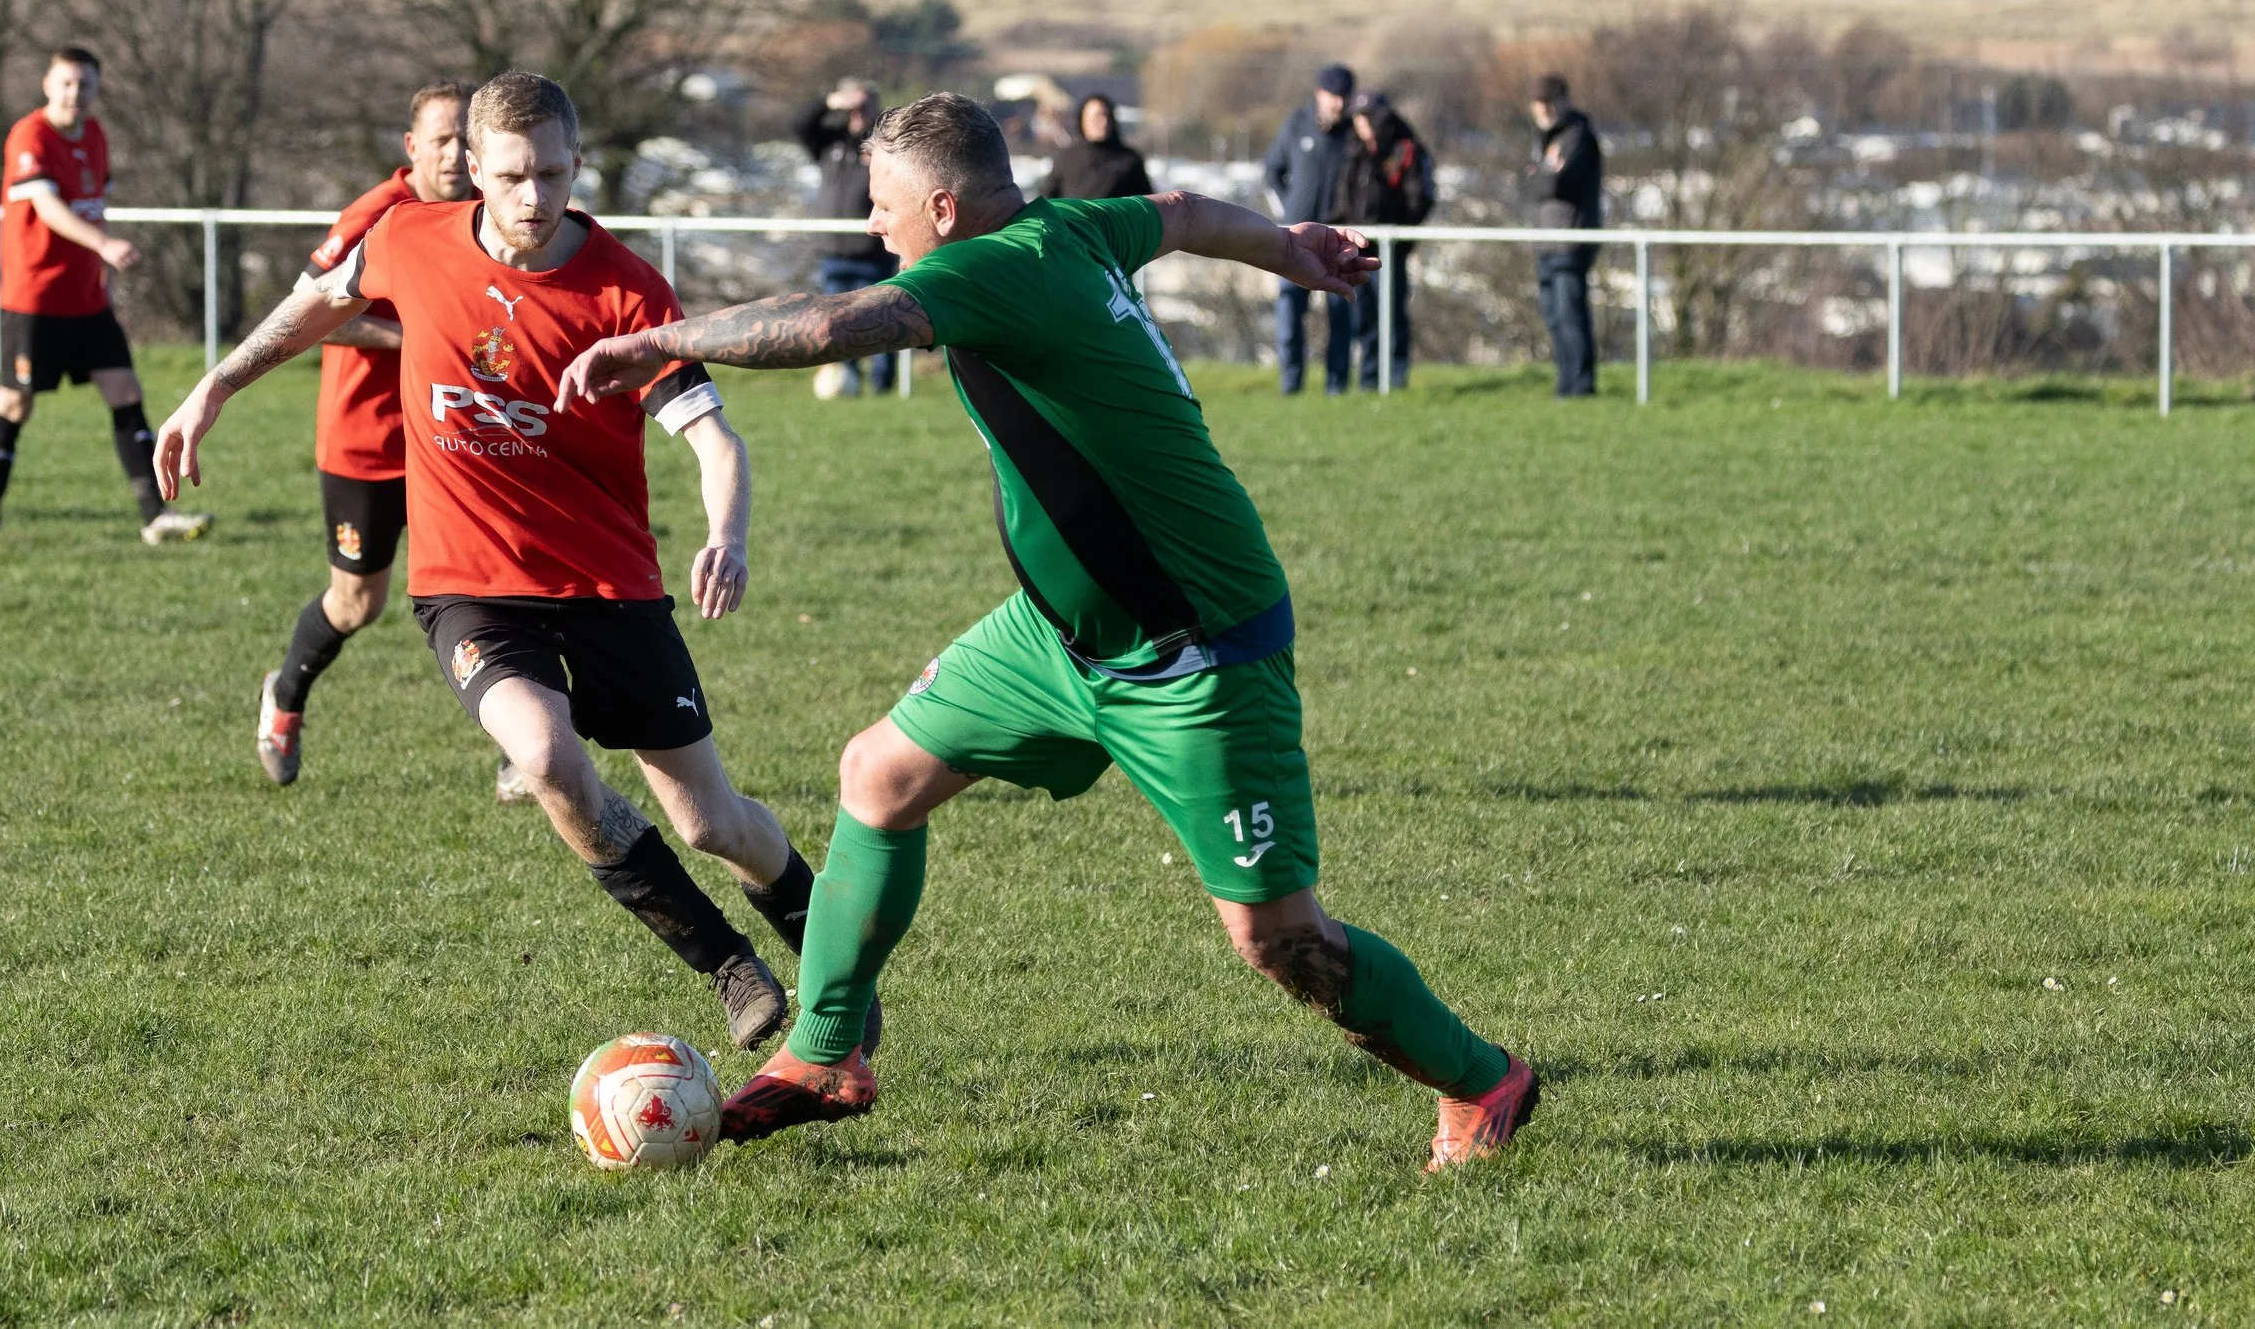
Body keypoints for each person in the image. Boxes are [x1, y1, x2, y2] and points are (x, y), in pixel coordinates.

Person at [555, 91, 1538, 1173]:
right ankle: (827, 1052)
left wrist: (653, 339)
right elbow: (1180, 211)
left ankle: (1480, 1079)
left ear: (940, 206)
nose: (874, 229)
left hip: (1193, 654)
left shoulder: (993, 268)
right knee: (878, 773)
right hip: (1057, 635)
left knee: (1280, 940)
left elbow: (833, 324)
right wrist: (1286, 248)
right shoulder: (1071, 222)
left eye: (884, 210)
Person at [156, 71, 873, 1054]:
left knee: (709, 820)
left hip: (610, 585)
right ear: (472, 172)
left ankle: (818, 937)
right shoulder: (410, 242)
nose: (532, 196)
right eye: (510, 175)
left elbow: (713, 438)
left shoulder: (623, 289)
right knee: (542, 755)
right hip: (470, 588)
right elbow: (317, 300)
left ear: (576, 164)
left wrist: (728, 535)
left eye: (550, 172)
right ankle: (728, 966)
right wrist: (215, 387)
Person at [253, 79, 473, 787]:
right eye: (442, 138)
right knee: (357, 604)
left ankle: (523, 756)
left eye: (469, 138)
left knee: (495, 588)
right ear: (412, 147)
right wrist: (418, 339)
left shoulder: (486, 214)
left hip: (453, 440)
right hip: (366, 443)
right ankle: (285, 694)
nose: (457, 153)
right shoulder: (379, 214)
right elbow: (311, 310)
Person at [0, 45, 209, 548]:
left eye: (86, 85)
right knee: (15, 404)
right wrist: (103, 245)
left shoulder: (96, 135)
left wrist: (104, 269)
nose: (76, 93)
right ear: (47, 84)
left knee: (125, 392)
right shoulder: (29, 135)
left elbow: (94, 206)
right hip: (34, 299)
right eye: (67, 83)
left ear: (98, 89)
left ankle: (154, 517)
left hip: (88, 300)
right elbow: (48, 206)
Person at [1260, 64, 1357, 394]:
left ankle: (1337, 388)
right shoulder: (1295, 125)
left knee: (1341, 317)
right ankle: (1291, 386)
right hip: (1294, 239)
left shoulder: (1353, 134)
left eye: (1344, 97)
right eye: (1333, 96)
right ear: (1319, 93)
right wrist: (1288, 215)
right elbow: (1272, 172)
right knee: (1289, 313)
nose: (1339, 104)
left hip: (1339, 241)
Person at [795, 80, 895, 397]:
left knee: (880, 322)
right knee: (837, 324)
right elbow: (799, 125)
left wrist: (873, 121)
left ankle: (882, 386)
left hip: (873, 253)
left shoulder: (885, 146)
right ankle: (846, 383)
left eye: (863, 106)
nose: (857, 113)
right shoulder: (830, 143)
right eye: (852, 107)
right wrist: (829, 101)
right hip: (834, 252)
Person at [1333, 93, 1434, 391]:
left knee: (1392, 314)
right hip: (1356, 248)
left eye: (1367, 116)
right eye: (1358, 117)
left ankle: (1396, 378)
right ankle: (1368, 380)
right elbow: (1343, 196)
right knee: (1362, 316)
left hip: (1390, 250)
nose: (1362, 123)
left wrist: (1399, 234)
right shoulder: (1353, 150)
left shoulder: (1405, 149)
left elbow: (1421, 197)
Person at [1528, 75, 1604, 399]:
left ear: (1564, 102)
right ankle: (1566, 386)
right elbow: (1528, 185)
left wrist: (1542, 176)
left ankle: (1581, 387)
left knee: (1571, 316)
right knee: (1555, 318)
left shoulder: (1578, 137)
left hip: (1570, 240)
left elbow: (1558, 184)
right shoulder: (1543, 139)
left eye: (1549, 103)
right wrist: (1545, 173)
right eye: (1538, 104)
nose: (1544, 110)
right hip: (1546, 241)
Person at [1037, 93, 1153, 201]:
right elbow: (1047, 198)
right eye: (1097, 117)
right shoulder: (1066, 158)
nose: (1103, 122)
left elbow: (1145, 204)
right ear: (1083, 120)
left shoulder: (1129, 159)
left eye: (1106, 116)